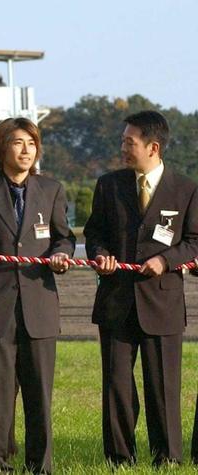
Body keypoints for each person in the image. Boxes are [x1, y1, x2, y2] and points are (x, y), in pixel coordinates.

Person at [0, 117, 75, 475]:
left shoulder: (51, 189)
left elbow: (63, 237)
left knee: (40, 396)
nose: (26, 150)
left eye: (32, 144)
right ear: (2, 147)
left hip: (39, 308)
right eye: (19, 143)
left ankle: (41, 466)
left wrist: (62, 255)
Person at [84, 110, 198, 467]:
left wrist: (166, 261)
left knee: (163, 386)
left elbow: (194, 242)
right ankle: (119, 457)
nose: (122, 148)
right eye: (122, 141)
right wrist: (101, 255)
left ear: (153, 146)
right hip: (116, 302)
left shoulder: (186, 189)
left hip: (161, 303)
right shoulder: (109, 185)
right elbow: (94, 234)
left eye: (128, 142)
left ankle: (168, 457)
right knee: (117, 385)